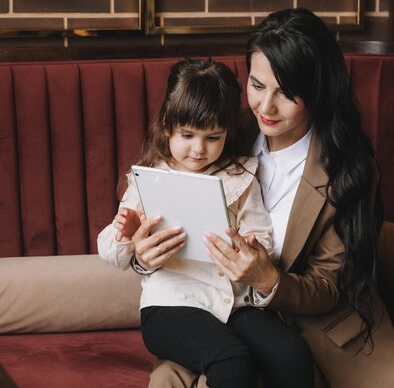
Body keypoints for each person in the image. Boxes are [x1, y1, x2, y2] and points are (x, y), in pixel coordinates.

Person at [143, 9, 394, 388]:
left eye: (285, 92)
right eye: (257, 85)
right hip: (214, 308)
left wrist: (268, 279)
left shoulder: (349, 170)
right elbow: (154, 178)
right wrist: (141, 250)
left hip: (306, 324)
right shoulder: (226, 131)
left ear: (317, 90)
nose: (265, 107)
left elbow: (328, 288)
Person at [97, 58, 315, 388]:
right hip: (171, 307)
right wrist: (127, 237)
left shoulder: (241, 177)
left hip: (236, 304)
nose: (198, 150)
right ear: (168, 126)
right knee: (233, 363)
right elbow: (110, 251)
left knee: (292, 353)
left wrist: (247, 251)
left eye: (213, 138)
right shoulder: (149, 179)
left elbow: (263, 239)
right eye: (187, 135)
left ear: (228, 133)